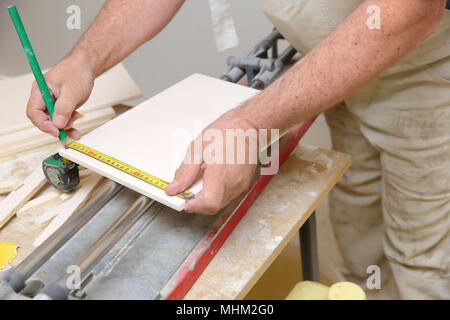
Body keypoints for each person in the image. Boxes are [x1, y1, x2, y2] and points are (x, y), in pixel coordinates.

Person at [26, 0, 449, 299]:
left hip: (422, 70)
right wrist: (86, 57)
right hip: (337, 61)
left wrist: (249, 123)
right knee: (360, 232)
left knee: (424, 263)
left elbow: (408, 9)